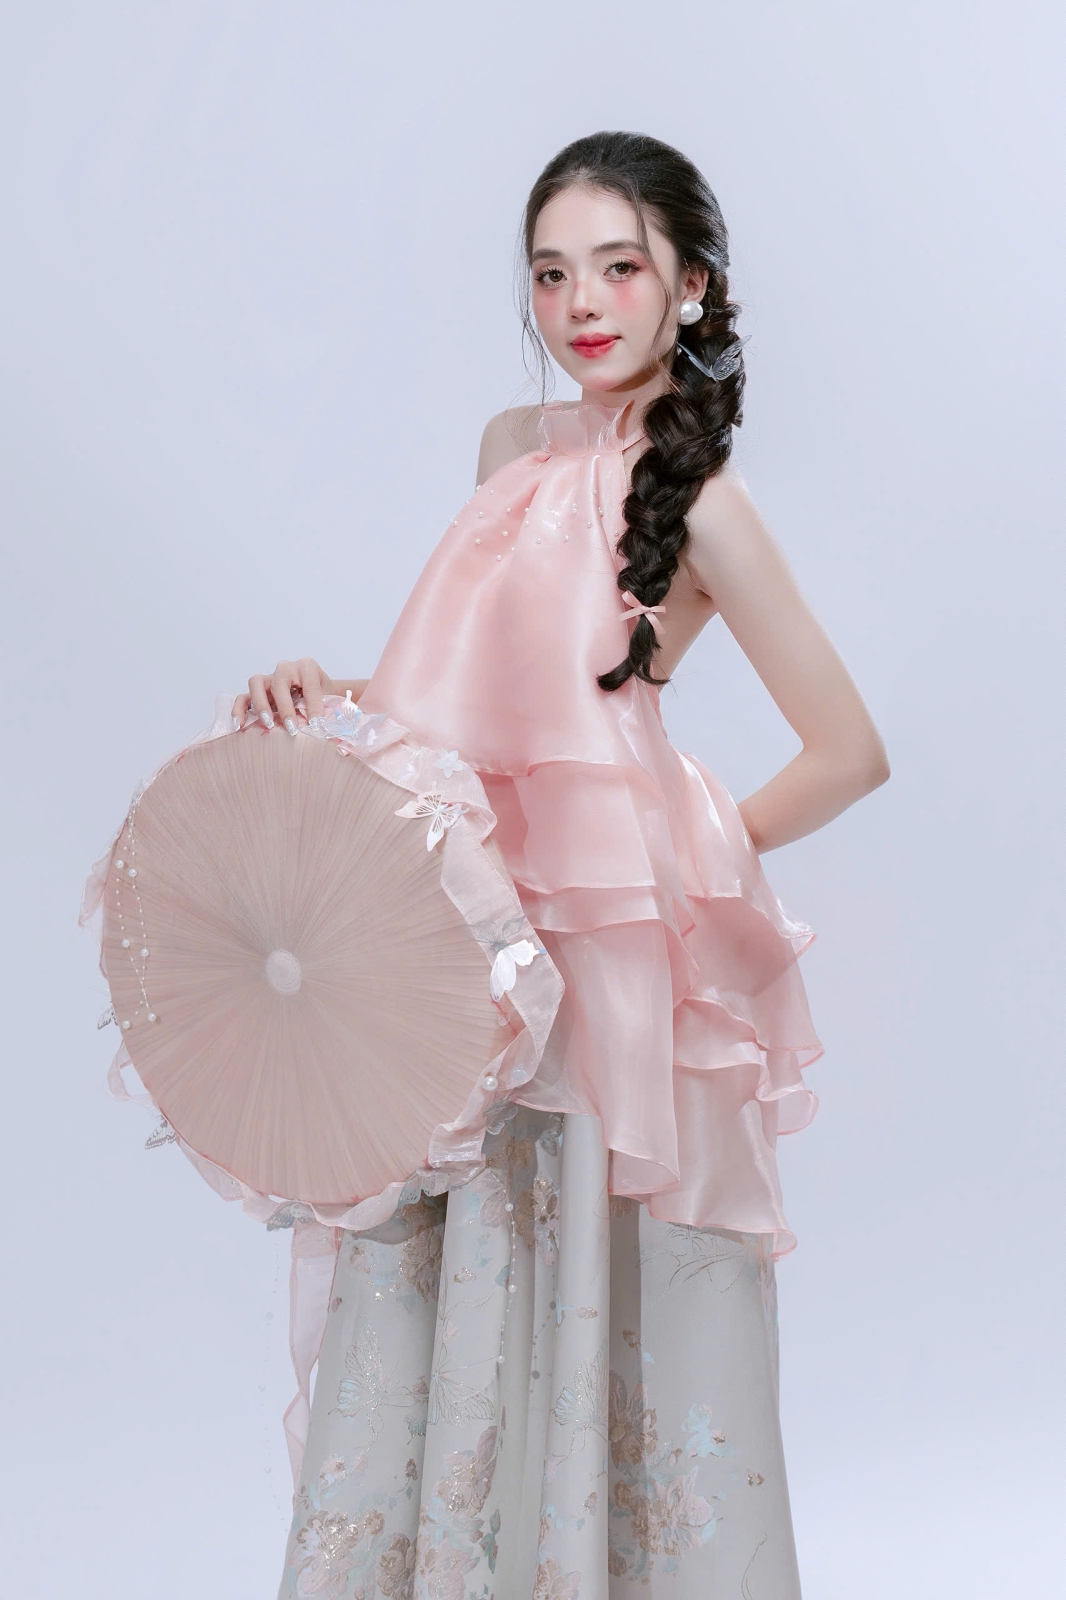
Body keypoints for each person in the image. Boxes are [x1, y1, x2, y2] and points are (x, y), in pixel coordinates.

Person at [235, 131, 888, 1600]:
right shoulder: (507, 450)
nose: (580, 303)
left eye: (618, 267)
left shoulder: (702, 500)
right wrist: (329, 689)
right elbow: (475, 703)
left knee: (599, 1271)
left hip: (600, 967)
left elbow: (849, 749)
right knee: (447, 1265)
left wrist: (678, 855)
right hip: (465, 939)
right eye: (550, 273)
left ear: (690, 286)